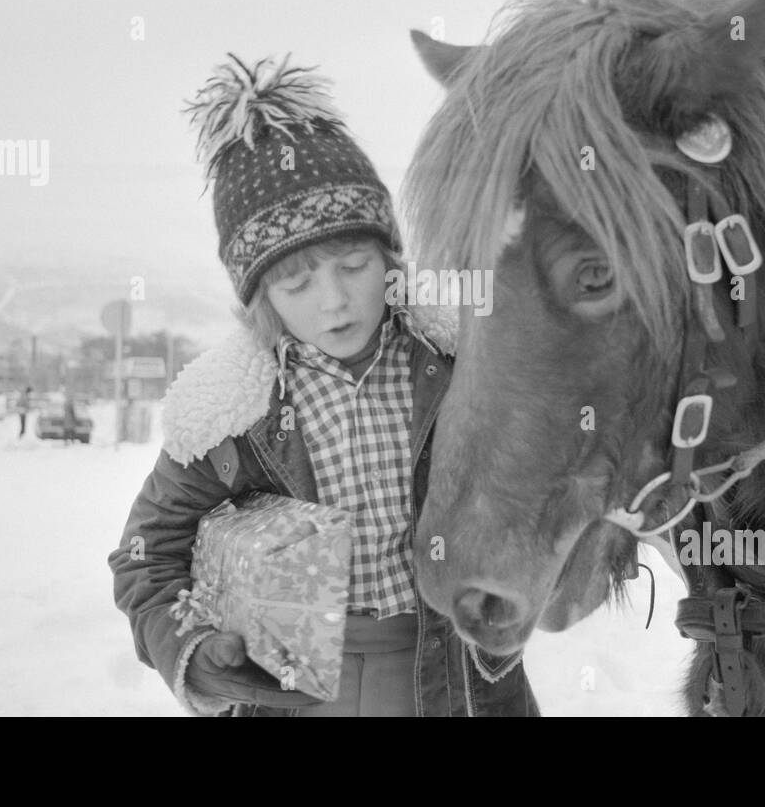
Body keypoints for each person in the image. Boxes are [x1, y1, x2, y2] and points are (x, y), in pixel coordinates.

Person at [108, 55, 538, 717]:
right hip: (297, 689)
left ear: (391, 257)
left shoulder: (456, 367)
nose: (333, 300)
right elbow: (145, 555)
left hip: (456, 680)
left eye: (354, 264)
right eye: (296, 282)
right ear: (259, 297)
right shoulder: (232, 413)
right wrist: (191, 647)